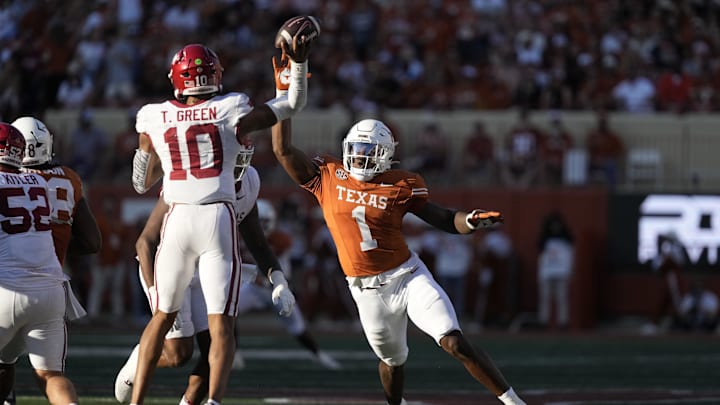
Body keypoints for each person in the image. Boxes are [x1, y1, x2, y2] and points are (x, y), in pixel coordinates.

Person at [270, 55, 526, 405]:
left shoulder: (401, 184)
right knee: (393, 360)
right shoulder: (327, 174)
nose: (360, 158)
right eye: (356, 150)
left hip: (407, 276)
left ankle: (513, 402)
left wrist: (469, 221)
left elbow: (440, 217)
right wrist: (283, 92)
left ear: (385, 156)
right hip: (365, 289)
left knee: (453, 340)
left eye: (368, 151)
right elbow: (281, 149)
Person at [129, 32, 313, 405]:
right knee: (222, 324)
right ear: (216, 75)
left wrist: (156, 149)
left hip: (178, 217)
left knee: (161, 317)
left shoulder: (153, 116)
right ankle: (213, 401)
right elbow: (292, 103)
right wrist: (297, 65)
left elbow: (140, 183)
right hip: (216, 218)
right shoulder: (232, 108)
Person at [116, 157, 294, 404]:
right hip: (170, 266)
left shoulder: (249, 181)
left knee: (221, 344)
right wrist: (156, 292)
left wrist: (279, 280)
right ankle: (141, 359)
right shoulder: (189, 178)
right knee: (179, 354)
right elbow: (145, 242)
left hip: (208, 270)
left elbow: (257, 241)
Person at [1, 116, 102, 405]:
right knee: (49, 374)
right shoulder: (52, 180)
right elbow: (91, 242)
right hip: (51, 285)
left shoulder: (17, 179)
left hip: (8, 286)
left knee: (4, 361)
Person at [232, 199, 342, 371]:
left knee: (298, 327)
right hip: (254, 287)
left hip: (277, 288)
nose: (261, 225)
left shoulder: (280, 239)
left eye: (264, 221)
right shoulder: (240, 236)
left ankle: (318, 354)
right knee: (228, 312)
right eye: (258, 221)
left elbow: (276, 265)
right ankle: (234, 353)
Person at [536, 211, 575, 330]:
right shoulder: (544, 239)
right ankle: (543, 321)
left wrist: (569, 270)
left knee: (562, 297)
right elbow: (541, 256)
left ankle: (563, 321)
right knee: (545, 297)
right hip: (547, 271)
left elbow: (571, 255)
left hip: (561, 271)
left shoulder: (566, 239)